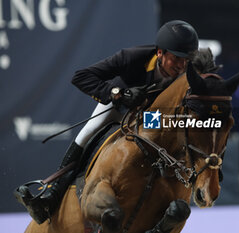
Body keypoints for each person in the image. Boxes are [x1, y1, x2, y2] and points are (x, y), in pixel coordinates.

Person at [14, 20, 199, 224]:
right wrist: (118, 93)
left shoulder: (187, 77)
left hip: (150, 118)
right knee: (89, 131)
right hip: (118, 107)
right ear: (160, 53)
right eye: (177, 58)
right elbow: (81, 77)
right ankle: (52, 195)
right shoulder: (133, 57)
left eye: (187, 60)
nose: (182, 65)